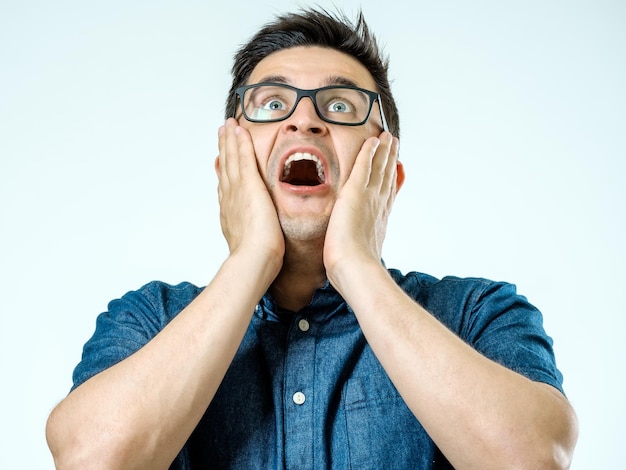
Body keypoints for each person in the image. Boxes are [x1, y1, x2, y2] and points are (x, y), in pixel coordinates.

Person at [46, 8, 578, 469]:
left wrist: (355, 264)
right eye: (272, 103)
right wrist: (252, 258)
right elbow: (91, 460)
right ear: (230, 166)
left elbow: (532, 458)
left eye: (341, 106)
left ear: (386, 175)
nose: (305, 120)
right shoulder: (150, 319)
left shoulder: (476, 313)